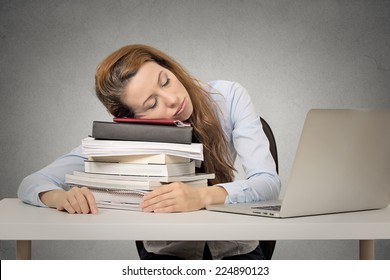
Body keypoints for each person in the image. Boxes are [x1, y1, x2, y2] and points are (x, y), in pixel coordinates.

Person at [18, 44, 281, 260]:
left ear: (169, 67)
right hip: (168, 255)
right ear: (130, 119)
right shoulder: (127, 137)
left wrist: (202, 196)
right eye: (152, 104)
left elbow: (267, 182)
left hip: (236, 251)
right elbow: (32, 183)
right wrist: (57, 198)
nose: (173, 100)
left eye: (165, 81)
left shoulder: (228, 97)